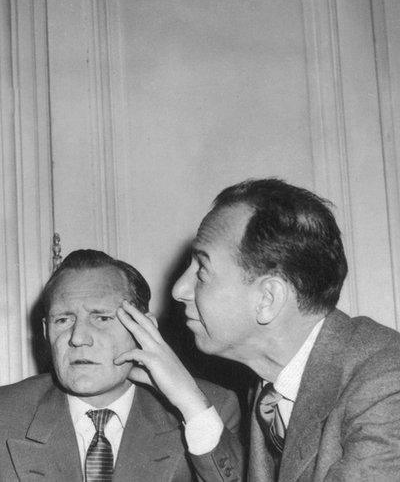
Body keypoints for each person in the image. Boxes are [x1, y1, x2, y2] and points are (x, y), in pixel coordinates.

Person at [122, 178, 400, 480]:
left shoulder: (387, 384)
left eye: (202, 270)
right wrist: (189, 399)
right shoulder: (272, 380)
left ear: (267, 299)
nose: (179, 289)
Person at [0, 249, 243, 481]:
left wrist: (190, 405)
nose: (78, 338)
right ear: (46, 332)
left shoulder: (208, 410)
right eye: (63, 320)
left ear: (143, 327)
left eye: (101, 318)